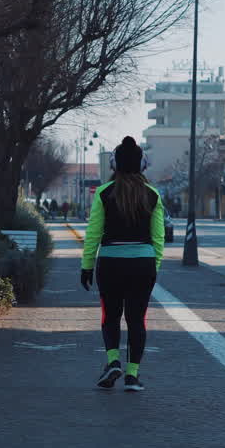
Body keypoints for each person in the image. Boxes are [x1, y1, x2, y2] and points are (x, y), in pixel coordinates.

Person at [79, 136, 165, 392]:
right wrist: (153, 266)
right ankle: (132, 375)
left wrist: (86, 266)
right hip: (143, 264)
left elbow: (94, 232)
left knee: (111, 315)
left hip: (111, 263)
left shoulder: (104, 193)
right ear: (141, 165)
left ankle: (113, 360)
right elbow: (158, 238)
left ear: (115, 164)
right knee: (137, 320)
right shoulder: (152, 195)